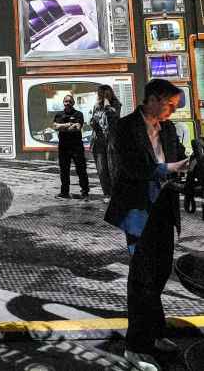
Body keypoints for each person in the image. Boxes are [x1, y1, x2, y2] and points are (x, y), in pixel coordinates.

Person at [105, 79, 190, 371]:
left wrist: (185, 168)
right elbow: (130, 168)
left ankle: (153, 335)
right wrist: (167, 169)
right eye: (169, 105)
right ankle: (135, 346)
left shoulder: (167, 128)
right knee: (142, 278)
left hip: (164, 208)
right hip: (137, 210)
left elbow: (176, 157)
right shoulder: (125, 127)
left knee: (161, 272)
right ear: (152, 99)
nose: (171, 111)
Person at [53, 94, 90, 199]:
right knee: (64, 170)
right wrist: (69, 124)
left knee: (81, 169)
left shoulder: (79, 114)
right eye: (66, 101)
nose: (68, 103)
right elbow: (55, 126)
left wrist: (62, 126)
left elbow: (77, 127)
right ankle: (64, 192)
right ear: (63, 103)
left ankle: (85, 191)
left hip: (76, 146)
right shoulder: (58, 114)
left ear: (73, 103)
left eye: (70, 101)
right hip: (63, 146)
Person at [90, 85, 121, 200]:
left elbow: (113, 116)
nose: (104, 96)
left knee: (113, 168)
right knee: (102, 169)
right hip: (98, 141)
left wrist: (107, 103)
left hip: (111, 141)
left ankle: (115, 193)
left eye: (106, 94)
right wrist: (93, 121)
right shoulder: (96, 106)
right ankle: (107, 193)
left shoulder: (116, 105)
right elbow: (93, 121)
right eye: (102, 94)